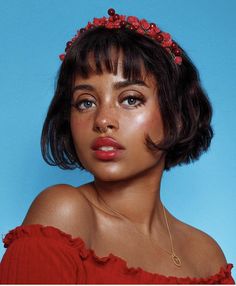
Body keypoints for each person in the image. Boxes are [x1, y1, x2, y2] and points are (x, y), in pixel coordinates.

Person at [0, 8, 234, 284]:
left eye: (130, 99)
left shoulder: (207, 256)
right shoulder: (63, 213)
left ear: (178, 117)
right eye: (85, 102)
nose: (102, 120)